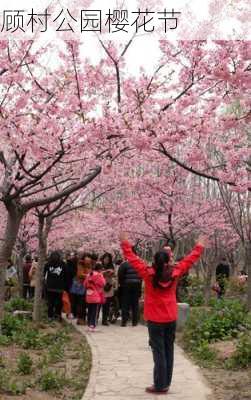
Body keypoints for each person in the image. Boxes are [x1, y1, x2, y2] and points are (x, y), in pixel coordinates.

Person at [120, 231, 207, 395]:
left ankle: (160, 385)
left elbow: (132, 258)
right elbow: (190, 259)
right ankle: (165, 382)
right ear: (168, 261)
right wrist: (199, 245)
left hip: (154, 318)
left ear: (154, 261)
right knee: (168, 350)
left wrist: (125, 243)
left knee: (158, 351)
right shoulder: (176, 271)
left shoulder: (147, 273)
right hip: (170, 317)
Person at [118, 250, 142, 327]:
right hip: (137, 285)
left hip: (126, 286)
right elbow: (141, 275)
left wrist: (122, 285)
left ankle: (124, 321)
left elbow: (120, 275)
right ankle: (135, 322)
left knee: (125, 303)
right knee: (135, 304)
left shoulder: (124, 264)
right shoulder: (139, 264)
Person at [70, 253, 92, 325]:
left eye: (89, 261)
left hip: (86, 286)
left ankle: (82, 319)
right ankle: (80, 319)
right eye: (87, 260)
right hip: (80, 286)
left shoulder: (89, 266)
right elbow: (80, 274)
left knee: (84, 304)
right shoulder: (80, 265)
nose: (88, 262)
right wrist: (89, 275)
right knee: (81, 303)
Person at [44, 251, 67, 321]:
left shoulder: (48, 264)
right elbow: (66, 275)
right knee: (59, 302)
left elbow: (44, 273)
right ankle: (57, 315)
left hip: (50, 286)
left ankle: (50, 316)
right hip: (59, 287)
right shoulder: (63, 264)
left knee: (50, 302)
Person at [85, 264, 105, 332]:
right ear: (99, 269)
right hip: (96, 295)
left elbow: (84, 284)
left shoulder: (88, 274)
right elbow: (103, 283)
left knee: (89, 310)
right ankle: (92, 325)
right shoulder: (99, 275)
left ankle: (88, 324)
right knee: (95, 311)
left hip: (88, 294)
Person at [101, 252, 115, 326]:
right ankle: (95, 318)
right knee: (100, 304)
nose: (106, 260)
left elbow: (113, 274)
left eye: (108, 259)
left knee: (106, 304)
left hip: (108, 287)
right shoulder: (100, 265)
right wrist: (104, 272)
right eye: (105, 259)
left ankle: (104, 320)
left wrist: (110, 272)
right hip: (101, 286)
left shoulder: (112, 266)